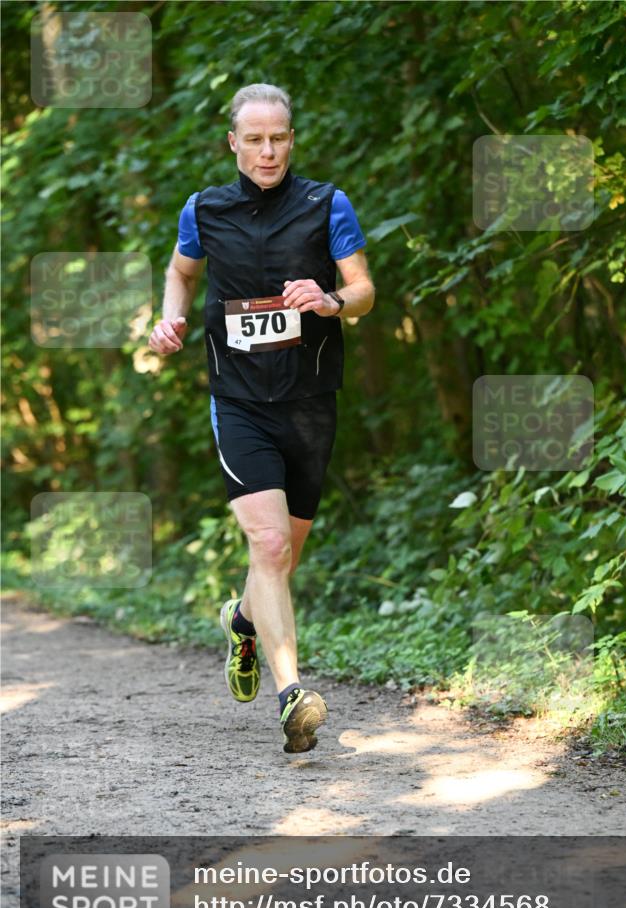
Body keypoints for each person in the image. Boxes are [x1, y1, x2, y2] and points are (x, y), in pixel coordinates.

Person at [148, 83, 375, 754]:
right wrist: (171, 317)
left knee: (284, 556)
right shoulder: (204, 209)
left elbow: (362, 291)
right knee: (268, 547)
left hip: (309, 403)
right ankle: (291, 696)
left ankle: (241, 622)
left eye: (278, 137)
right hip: (239, 400)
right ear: (233, 143)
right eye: (254, 139)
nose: (267, 150)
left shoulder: (325, 204)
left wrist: (330, 299)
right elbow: (180, 272)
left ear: (291, 139)